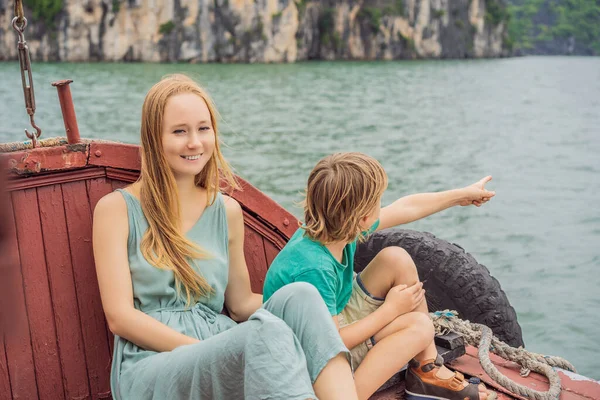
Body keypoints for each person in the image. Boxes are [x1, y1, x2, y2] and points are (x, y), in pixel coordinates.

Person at [92, 74, 358, 400]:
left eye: (203, 129)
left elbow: (241, 303)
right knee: (262, 334)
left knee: (302, 295)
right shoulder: (116, 209)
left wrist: (320, 309)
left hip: (219, 346)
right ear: (154, 139)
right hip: (154, 363)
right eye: (179, 131)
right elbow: (120, 318)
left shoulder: (227, 211)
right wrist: (208, 349)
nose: (195, 142)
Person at [263, 152, 497, 400]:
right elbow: (329, 341)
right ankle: (351, 392)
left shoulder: (335, 227)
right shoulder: (314, 268)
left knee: (395, 258)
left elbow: (406, 208)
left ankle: (426, 371)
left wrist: (462, 196)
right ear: (362, 218)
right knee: (419, 327)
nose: (382, 207)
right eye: (377, 202)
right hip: (310, 356)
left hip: (328, 322)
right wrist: (391, 311)